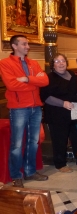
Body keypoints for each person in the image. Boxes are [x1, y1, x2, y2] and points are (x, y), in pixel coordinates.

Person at [0, 35, 49, 187]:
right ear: (14, 46)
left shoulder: (33, 63)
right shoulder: (5, 63)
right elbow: (12, 85)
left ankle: (30, 172)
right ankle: (16, 175)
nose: (28, 46)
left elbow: (45, 80)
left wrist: (27, 79)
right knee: (17, 144)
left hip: (36, 107)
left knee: (33, 142)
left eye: (27, 44)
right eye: (24, 44)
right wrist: (34, 82)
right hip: (19, 108)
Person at [40, 53, 77, 173]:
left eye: (63, 61)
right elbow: (46, 97)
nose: (61, 63)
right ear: (53, 65)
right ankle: (60, 164)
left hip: (72, 113)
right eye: (57, 61)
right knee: (59, 139)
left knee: (76, 137)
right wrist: (63, 103)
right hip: (56, 113)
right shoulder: (49, 77)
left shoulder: (72, 74)